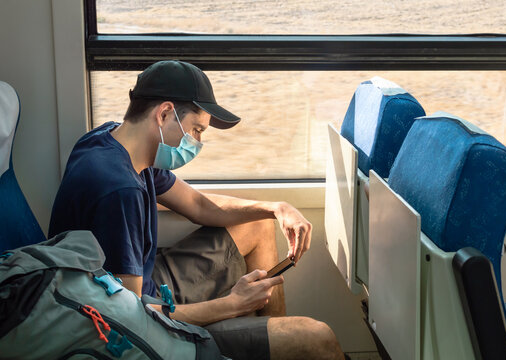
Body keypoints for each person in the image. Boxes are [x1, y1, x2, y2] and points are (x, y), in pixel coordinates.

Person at [49, 60, 345, 360]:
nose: (198, 142)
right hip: (134, 323)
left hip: (144, 283)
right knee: (317, 337)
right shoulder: (119, 190)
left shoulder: (113, 142)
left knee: (257, 224)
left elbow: (198, 204)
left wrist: (276, 208)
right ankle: (274, 341)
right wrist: (233, 305)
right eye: (196, 130)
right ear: (164, 114)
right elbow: (130, 317)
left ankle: (268, 341)